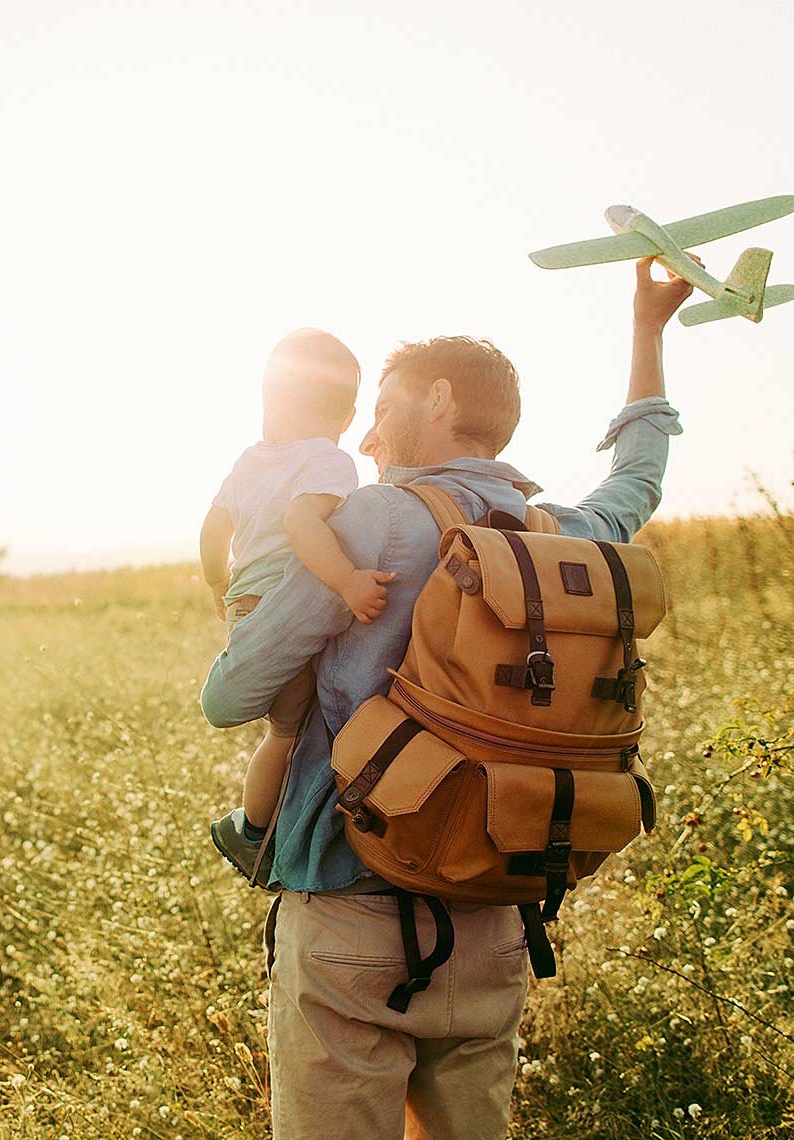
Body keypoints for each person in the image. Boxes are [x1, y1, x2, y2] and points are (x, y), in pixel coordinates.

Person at [199, 258, 695, 1139]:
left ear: (434, 400)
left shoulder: (376, 521)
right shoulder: (557, 537)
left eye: (382, 409)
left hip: (349, 911)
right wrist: (647, 332)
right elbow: (639, 478)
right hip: (495, 919)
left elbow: (232, 694)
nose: (369, 439)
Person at [200, 328, 397, 884]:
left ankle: (265, 825)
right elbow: (301, 523)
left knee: (282, 726)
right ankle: (254, 831)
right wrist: (349, 581)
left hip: (244, 601)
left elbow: (214, 527)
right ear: (348, 414)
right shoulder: (328, 460)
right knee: (288, 732)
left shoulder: (250, 460)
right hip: (281, 599)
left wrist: (218, 583)